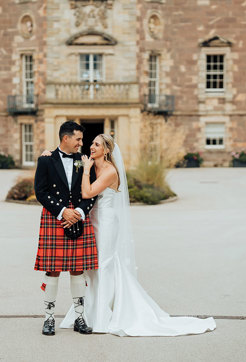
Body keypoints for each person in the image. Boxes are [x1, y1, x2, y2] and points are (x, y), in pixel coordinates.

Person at [42, 134, 216, 336]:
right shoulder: (88, 163)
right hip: (91, 221)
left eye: (96, 144)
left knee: (104, 264)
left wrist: (87, 170)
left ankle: (102, 315)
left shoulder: (109, 171)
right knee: (91, 267)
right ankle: (87, 312)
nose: (91, 146)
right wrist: (47, 154)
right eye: (91, 143)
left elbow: (88, 193)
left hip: (106, 221)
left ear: (106, 150)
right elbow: (66, 159)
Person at [33, 121, 99, 336]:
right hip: (56, 217)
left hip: (78, 215)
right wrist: (63, 212)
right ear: (66, 138)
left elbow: (92, 192)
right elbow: (41, 192)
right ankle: (49, 318)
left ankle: (80, 318)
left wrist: (78, 212)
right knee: (52, 270)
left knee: (77, 269)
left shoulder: (85, 161)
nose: (82, 143)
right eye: (78, 139)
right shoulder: (46, 160)